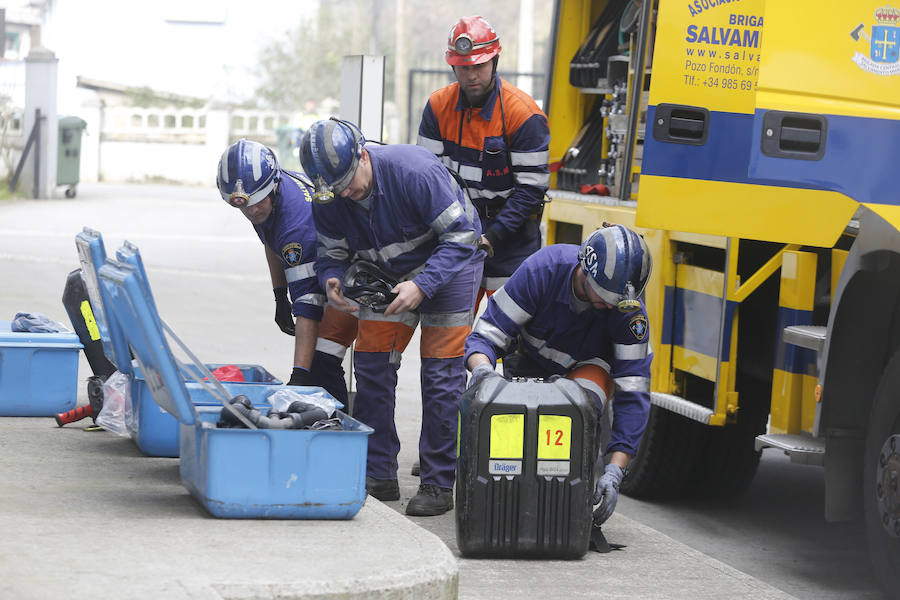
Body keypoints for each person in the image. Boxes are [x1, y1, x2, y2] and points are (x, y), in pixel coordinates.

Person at [299, 117, 483, 516]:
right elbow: (331, 253)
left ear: (364, 155)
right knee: (372, 367)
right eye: (336, 190)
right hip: (386, 275)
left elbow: (463, 234)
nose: (346, 192)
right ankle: (379, 472)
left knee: (440, 376)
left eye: (350, 181)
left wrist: (424, 285)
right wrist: (332, 281)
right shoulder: (330, 196)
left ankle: (437, 482)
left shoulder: (414, 171)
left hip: (450, 269)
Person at [464, 224, 653, 527]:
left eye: (615, 301)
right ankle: (504, 505)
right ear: (584, 270)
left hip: (587, 370)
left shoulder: (628, 312)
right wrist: (484, 374)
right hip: (526, 362)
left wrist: (615, 471)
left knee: (578, 416)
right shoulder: (543, 271)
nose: (608, 306)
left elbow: (633, 392)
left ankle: (565, 509)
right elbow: (486, 335)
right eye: (604, 296)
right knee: (512, 429)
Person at [418, 15, 550, 304]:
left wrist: (492, 237)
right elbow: (426, 178)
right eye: (463, 68)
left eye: (478, 65)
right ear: (453, 65)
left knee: (510, 336)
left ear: (495, 61)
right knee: (450, 335)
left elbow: (531, 190)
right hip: (455, 236)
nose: (471, 75)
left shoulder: (524, 115)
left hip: (512, 241)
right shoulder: (438, 107)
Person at [216, 139, 357, 406]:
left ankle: (338, 432)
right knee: (316, 359)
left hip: (352, 273)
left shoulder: (295, 227)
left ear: (274, 185)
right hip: (329, 261)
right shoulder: (261, 198)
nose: (251, 210)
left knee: (322, 361)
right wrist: (280, 295)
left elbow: (308, 305)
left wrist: (298, 377)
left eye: (257, 203)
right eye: (242, 206)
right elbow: (272, 243)